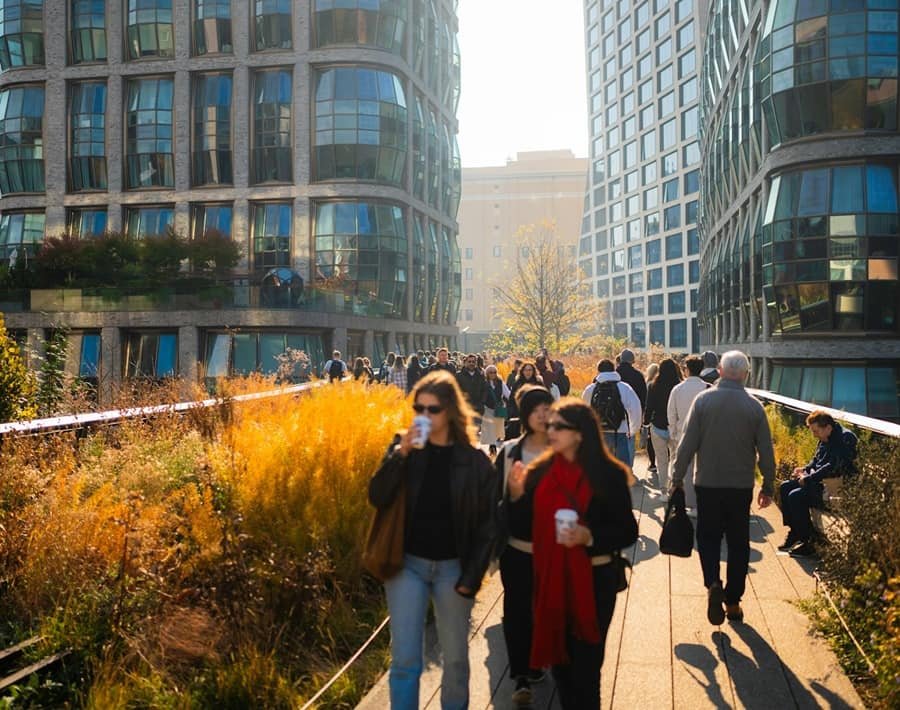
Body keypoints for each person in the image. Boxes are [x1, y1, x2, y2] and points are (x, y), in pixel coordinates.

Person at [368, 371, 499, 710]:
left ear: (451, 411)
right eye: (418, 408)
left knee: (455, 661)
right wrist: (401, 454)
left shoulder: (474, 462)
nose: (424, 416)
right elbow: (377, 496)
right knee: (405, 661)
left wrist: (472, 577)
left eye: (433, 409)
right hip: (407, 564)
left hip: (453, 568)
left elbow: (488, 526)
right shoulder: (403, 446)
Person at [506, 398, 638, 709]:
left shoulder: (609, 475)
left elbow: (627, 531)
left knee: (587, 667)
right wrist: (515, 496)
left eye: (558, 426)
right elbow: (521, 526)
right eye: (548, 424)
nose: (549, 430)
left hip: (595, 579)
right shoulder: (538, 472)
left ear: (580, 433)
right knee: (561, 667)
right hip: (551, 575)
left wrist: (589, 536)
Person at [670, 350, 776, 626]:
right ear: (746, 374)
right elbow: (766, 450)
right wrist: (768, 485)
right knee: (739, 542)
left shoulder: (703, 401)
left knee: (707, 537)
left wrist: (676, 478)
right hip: (740, 486)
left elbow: (687, 444)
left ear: (719, 369)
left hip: (707, 483)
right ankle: (733, 601)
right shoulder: (754, 407)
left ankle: (712, 583)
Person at [494, 385, 554, 705]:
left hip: (553, 551)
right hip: (517, 548)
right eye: (536, 410)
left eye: (548, 409)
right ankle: (521, 674)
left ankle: (540, 659)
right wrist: (515, 497)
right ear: (526, 415)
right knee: (517, 610)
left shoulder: (563, 451)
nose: (543, 415)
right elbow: (496, 500)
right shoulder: (510, 452)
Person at [778, 410, 858, 558]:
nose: (814, 435)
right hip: (822, 484)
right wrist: (805, 469)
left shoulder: (845, 438)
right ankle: (796, 531)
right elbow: (816, 461)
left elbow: (833, 466)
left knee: (796, 496)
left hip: (836, 490)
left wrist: (808, 478)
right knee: (785, 487)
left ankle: (810, 543)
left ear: (828, 427)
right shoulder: (825, 436)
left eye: (816, 431)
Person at [581, 359, 642, 468]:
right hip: (620, 430)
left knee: (600, 467)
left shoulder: (591, 389)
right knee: (622, 469)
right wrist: (632, 430)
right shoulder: (624, 387)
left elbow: (583, 411)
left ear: (598, 371)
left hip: (598, 432)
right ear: (614, 369)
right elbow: (636, 409)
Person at [667, 355, 707, 512]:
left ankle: (688, 503)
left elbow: (671, 414)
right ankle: (700, 502)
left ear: (687, 369)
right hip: (704, 436)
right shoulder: (708, 388)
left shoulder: (677, 389)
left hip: (682, 434)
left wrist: (674, 431)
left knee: (684, 470)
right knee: (702, 470)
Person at [643, 358, 682, 498]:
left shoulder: (653, 385)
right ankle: (674, 486)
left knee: (661, 460)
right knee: (675, 458)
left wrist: (646, 422)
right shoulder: (679, 386)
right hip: (675, 427)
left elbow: (649, 406)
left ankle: (663, 491)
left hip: (657, 425)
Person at [506, 361, 544, 439]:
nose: (528, 372)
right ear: (522, 371)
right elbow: (512, 399)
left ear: (533, 371)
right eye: (526, 370)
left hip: (534, 412)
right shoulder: (518, 383)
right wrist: (511, 412)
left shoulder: (538, 383)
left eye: (530, 370)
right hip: (519, 412)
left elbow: (543, 397)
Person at [481, 364, 511, 445]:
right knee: (489, 428)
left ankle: (495, 444)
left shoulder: (500, 382)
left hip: (499, 407)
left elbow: (508, 394)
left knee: (498, 429)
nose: (493, 374)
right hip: (487, 408)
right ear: (487, 373)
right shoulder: (484, 383)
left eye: (494, 372)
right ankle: (492, 446)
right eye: (490, 372)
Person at [456, 353, 487, 419]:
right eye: (469, 361)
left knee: (477, 428)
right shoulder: (459, 375)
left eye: (473, 362)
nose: (471, 363)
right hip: (464, 408)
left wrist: (482, 402)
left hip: (478, 409)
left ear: (476, 363)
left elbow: (484, 389)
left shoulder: (480, 375)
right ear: (465, 362)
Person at [616, 348, 647, 412]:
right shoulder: (638, 375)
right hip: (634, 411)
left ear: (620, 359)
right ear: (633, 360)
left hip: (616, 413)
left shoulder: (614, 374)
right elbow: (643, 397)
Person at [643, 362, 660, 478]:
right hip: (660, 416)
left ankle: (653, 463)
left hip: (650, 416)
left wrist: (645, 420)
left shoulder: (647, 384)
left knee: (650, 440)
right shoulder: (660, 384)